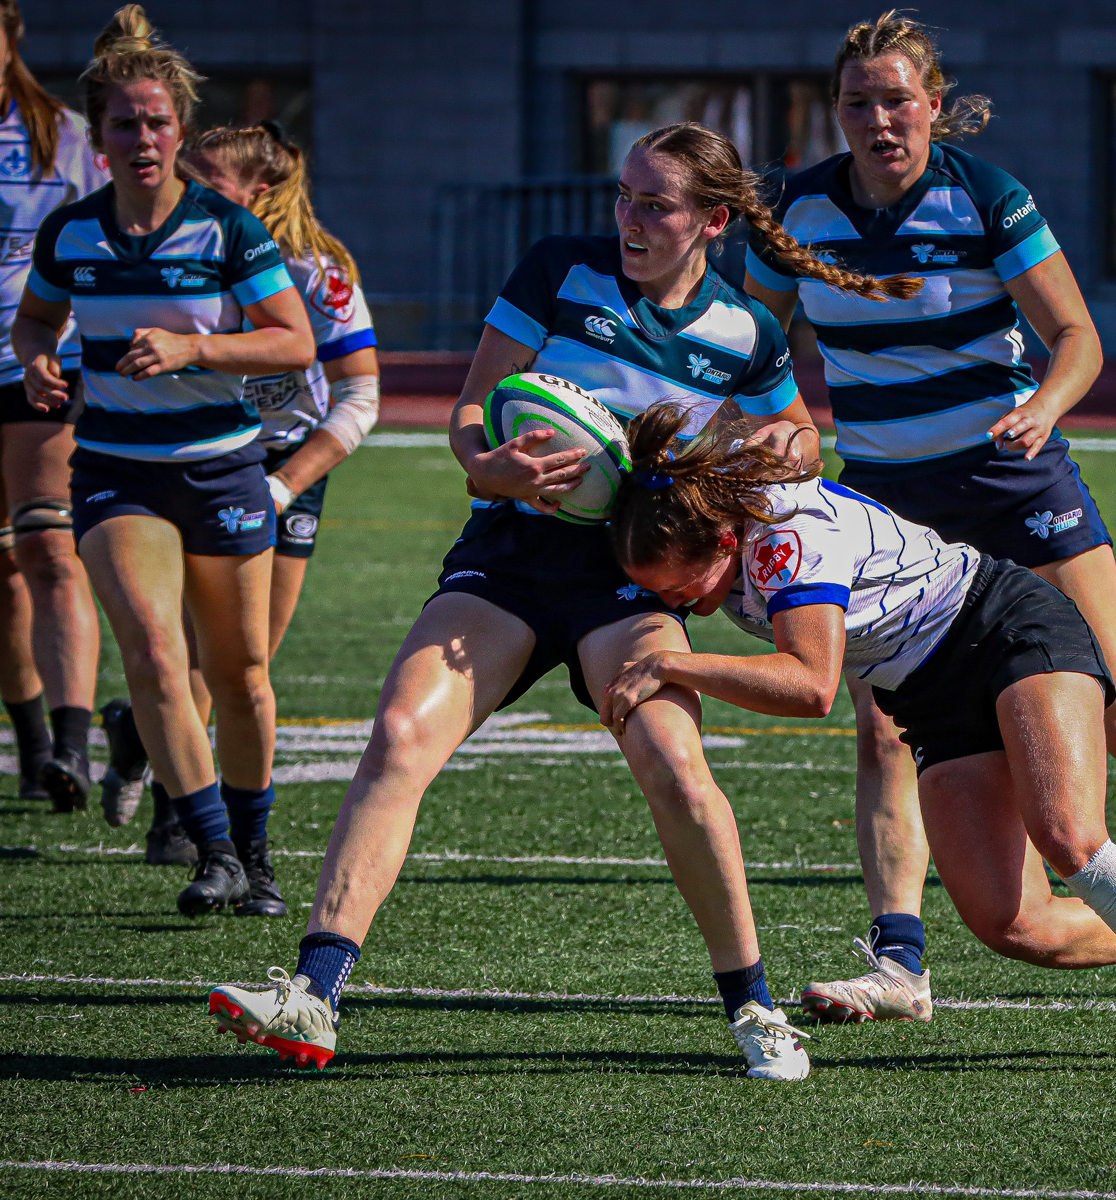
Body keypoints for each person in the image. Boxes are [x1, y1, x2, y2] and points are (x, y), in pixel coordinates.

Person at [205, 122, 911, 1078]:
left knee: (675, 766)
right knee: (402, 731)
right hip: (511, 554)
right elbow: (470, 410)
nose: (628, 217)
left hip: (630, 580)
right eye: (623, 195)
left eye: (654, 203)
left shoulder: (744, 330)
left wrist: (780, 448)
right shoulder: (557, 271)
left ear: (710, 220)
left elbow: (799, 441)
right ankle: (313, 996)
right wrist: (487, 466)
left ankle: (754, 1011)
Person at [740, 11, 1116, 1025]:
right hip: (889, 506)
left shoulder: (984, 197)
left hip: (1018, 488)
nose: (878, 120)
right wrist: (781, 430)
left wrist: (1043, 406)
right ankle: (901, 962)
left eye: (895, 100)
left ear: (931, 104)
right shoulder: (795, 212)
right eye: (856, 104)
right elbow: (757, 349)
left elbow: (1076, 334)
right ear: (836, 113)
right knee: (882, 736)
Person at [591, 402, 1116, 1075]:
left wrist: (671, 661)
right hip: (931, 692)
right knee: (1013, 924)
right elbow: (784, 445)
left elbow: (811, 686)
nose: (679, 607)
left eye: (685, 590)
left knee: (1070, 838)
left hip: (1001, 630)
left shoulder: (782, 540)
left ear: (723, 539)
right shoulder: (708, 516)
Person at [12, 5, 315, 915]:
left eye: (157, 121)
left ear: (179, 132)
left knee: (241, 675)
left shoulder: (228, 231)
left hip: (221, 468)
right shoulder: (72, 234)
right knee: (149, 647)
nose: (142, 137)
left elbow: (293, 342)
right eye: (123, 123)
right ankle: (211, 847)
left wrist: (197, 351)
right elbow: (36, 318)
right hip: (115, 468)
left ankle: (256, 853)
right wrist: (34, 357)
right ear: (97, 137)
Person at [97, 120, 381, 873]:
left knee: (243, 664)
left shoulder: (317, 270)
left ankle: (135, 734)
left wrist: (287, 483)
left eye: (205, 179)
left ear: (262, 189)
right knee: (184, 658)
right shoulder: (168, 252)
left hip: (280, 465)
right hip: (185, 456)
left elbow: (360, 397)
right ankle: (180, 822)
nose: (179, 189)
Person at [0, 0, 108, 807]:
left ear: (10, 42)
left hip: (43, 364)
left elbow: (107, 236)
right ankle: (32, 741)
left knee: (49, 547)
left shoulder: (65, 135)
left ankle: (72, 745)